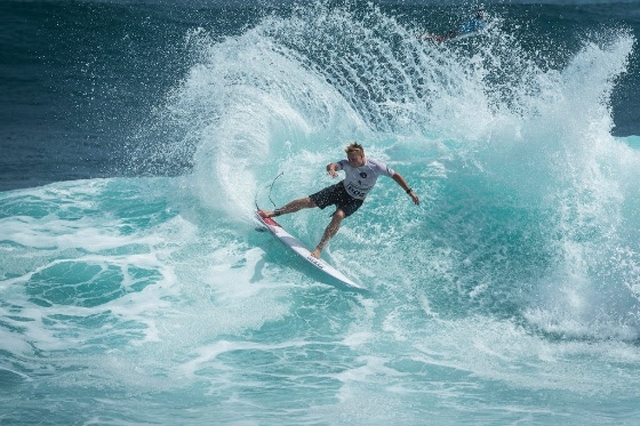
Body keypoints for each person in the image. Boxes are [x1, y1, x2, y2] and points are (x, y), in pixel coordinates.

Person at [261, 142, 420, 259]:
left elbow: (396, 175)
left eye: (353, 159)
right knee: (308, 201)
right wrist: (331, 169)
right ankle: (276, 212)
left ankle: (319, 249)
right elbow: (334, 165)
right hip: (341, 189)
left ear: (362, 155)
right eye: (349, 159)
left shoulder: (376, 166)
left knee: (339, 216)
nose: (350, 162)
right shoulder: (347, 163)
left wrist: (409, 192)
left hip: (355, 200)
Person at [419, 9, 486, 43]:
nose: (483, 15)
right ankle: (427, 36)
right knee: (442, 39)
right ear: (480, 15)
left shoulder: (475, 20)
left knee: (441, 39)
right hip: (458, 33)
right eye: (482, 14)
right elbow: (482, 28)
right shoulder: (477, 21)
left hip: (457, 31)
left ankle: (427, 37)